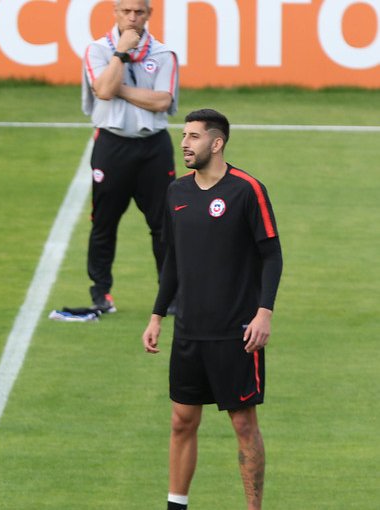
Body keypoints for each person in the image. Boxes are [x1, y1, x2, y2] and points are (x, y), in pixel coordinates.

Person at [142, 109, 283, 510]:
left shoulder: (247, 190)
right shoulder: (176, 193)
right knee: (181, 421)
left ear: (216, 143)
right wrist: (157, 315)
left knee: (243, 424)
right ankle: (176, 506)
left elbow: (272, 255)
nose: (184, 143)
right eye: (183, 135)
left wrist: (264, 313)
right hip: (189, 331)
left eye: (193, 136)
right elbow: (173, 259)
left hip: (236, 332)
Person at [62, 0, 179, 317]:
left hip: (154, 147)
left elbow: (162, 101)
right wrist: (121, 53)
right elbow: (101, 91)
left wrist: (118, 88)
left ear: (149, 15)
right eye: (126, 11)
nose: (132, 17)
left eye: (139, 12)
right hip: (112, 145)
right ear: (114, 13)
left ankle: (170, 296)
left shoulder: (164, 54)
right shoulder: (98, 50)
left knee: (164, 225)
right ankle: (101, 293)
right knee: (104, 223)